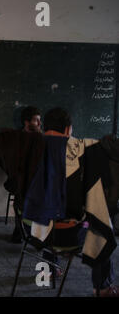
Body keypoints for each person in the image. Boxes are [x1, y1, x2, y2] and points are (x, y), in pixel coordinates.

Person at [25, 107, 117, 297]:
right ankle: (103, 287)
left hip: (31, 230)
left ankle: (50, 269)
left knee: (50, 209)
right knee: (100, 229)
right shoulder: (85, 148)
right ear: (68, 129)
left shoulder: (30, 146)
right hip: (67, 236)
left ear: (44, 127)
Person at [9, 106, 43, 244]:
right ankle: (19, 230)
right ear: (26, 122)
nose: (39, 124)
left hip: (36, 180)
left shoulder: (41, 138)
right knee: (19, 199)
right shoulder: (17, 138)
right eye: (36, 120)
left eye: (40, 120)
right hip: (20, 179)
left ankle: (34, 233)